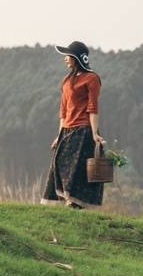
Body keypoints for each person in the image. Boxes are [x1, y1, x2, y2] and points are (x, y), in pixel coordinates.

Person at [40, 41, 105, 210]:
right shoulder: (66, 80)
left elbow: (92, 107)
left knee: (77, 169)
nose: (65, 59)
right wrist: (59, 134)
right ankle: (66, 202)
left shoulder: (92, 78)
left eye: (67, 56)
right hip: (67, 130)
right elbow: (63, 110)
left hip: (83, 130)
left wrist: (94, 133)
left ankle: (75, 204)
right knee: (60, 165)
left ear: (76, 58)